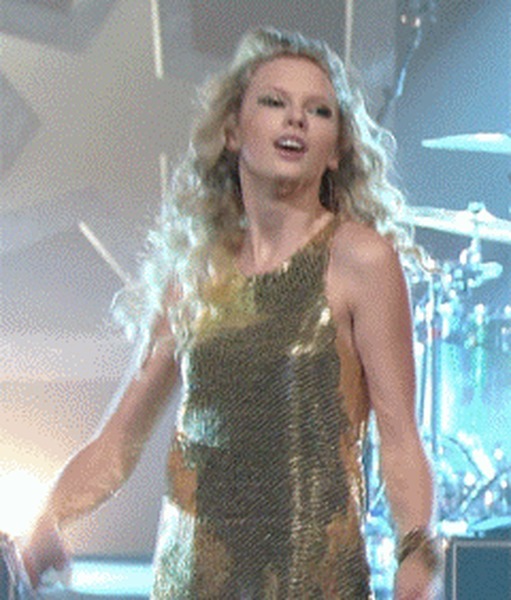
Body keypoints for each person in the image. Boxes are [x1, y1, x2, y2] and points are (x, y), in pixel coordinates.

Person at [22, 27, 437, 599]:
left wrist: (416, 553)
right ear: (233, 131)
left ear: (337, 147)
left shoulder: (361, 260)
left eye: (318, 110)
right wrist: (49, 517)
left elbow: (400, 435)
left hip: (313, 583)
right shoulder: (195, 271)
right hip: (190, 582)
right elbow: (119, 441)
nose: (296, 119)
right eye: (274, 102)